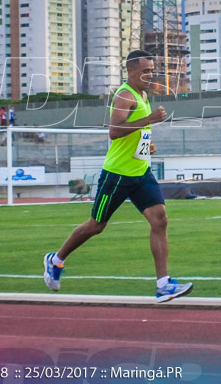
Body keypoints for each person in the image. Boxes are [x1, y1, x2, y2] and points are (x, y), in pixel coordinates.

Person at [42, 50, 192, 303]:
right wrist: (150, 118)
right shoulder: (124, 95)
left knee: (160, 220)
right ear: (131, 71)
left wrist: (146, 146)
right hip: (117, 175)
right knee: (96, 226)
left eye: (151, 69)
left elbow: (136, 131)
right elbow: (114, 131)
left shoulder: (143, 95)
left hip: (140, 172)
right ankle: (56, 260)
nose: (150, 74)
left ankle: (164, 284)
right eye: (145, 70)